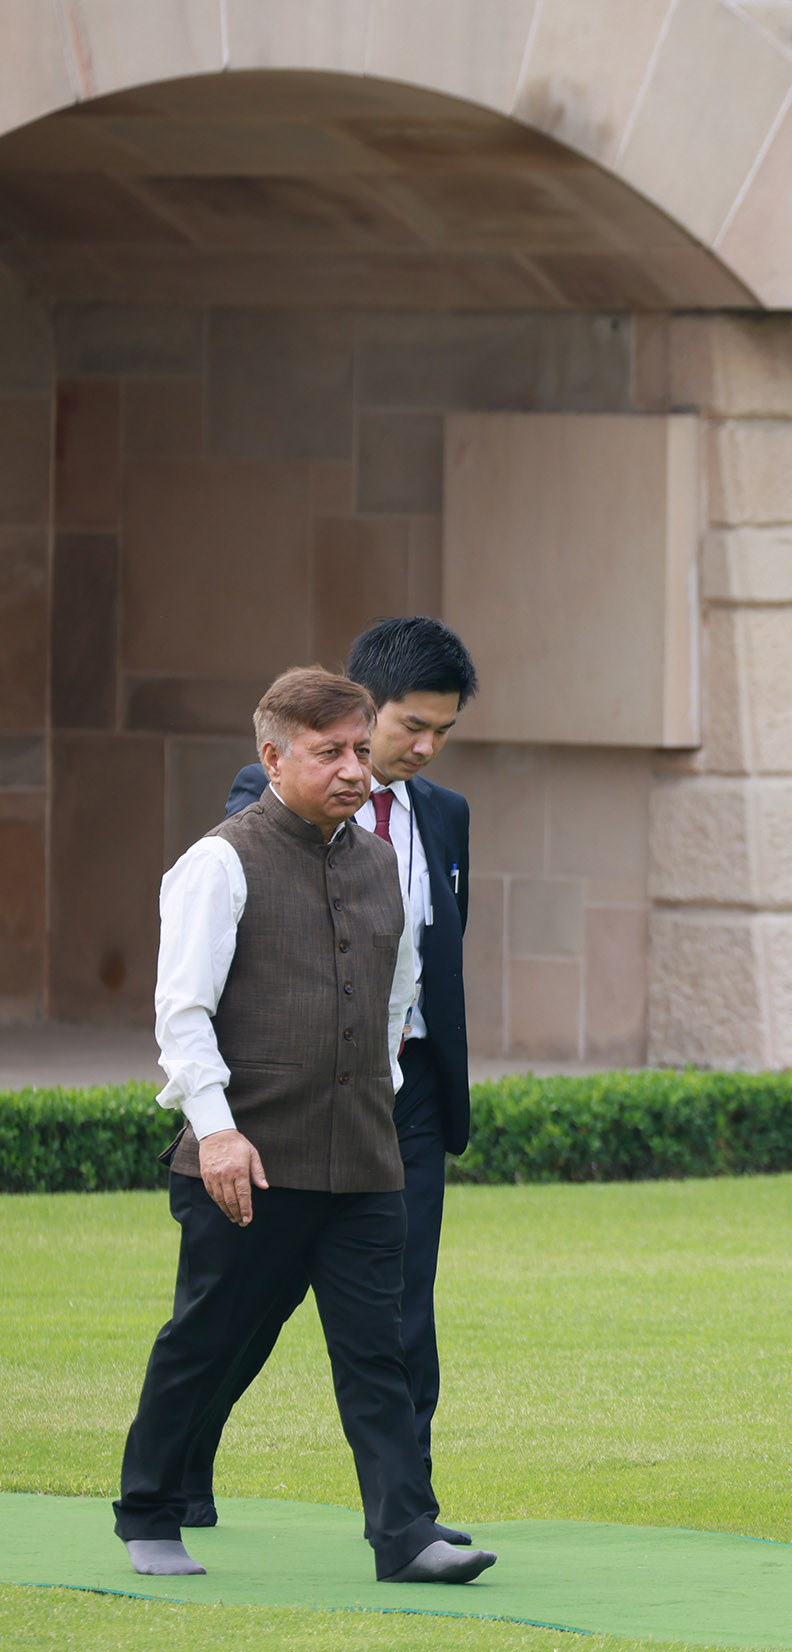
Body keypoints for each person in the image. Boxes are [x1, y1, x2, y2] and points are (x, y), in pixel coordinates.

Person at [112, 668, 493, 1586]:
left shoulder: (377, 860)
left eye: (361, 749)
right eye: (330, 752)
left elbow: (399, 996)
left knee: (380, 1353)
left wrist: (374, 1091)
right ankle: (150, 1513)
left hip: (365, 1158)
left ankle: (406, 1534)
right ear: (273, 756)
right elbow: (182, 1014)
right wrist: (217, 1132)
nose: (354, 769)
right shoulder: (219, 861)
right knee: (206, 1338)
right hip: (249, 1160)